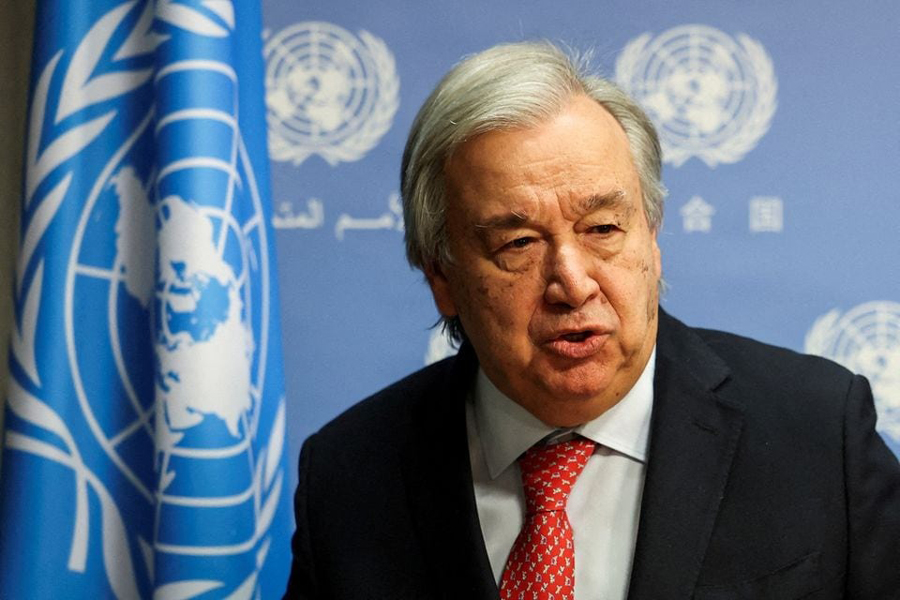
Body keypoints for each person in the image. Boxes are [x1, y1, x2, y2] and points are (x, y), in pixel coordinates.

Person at [284, 42, 900, 599]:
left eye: (603, 229)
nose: (573, 284)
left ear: (652, 239)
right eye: (519, 243)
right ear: (441, 276)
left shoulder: (818, 431)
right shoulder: (349, 475)